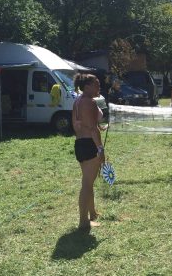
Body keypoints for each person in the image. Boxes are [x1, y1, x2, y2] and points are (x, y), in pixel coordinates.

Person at [72, 73, 105, 230]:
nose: (99, 86)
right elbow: (92, 129)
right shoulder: (90, 102)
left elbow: (79, 125)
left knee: (88, 181)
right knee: (86, 184)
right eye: (96, 84)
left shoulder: (77, 101)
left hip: (79, 143)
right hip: (90, 144)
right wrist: (100, 148)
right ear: (87, 86)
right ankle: (83, 221)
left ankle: (92, 213)